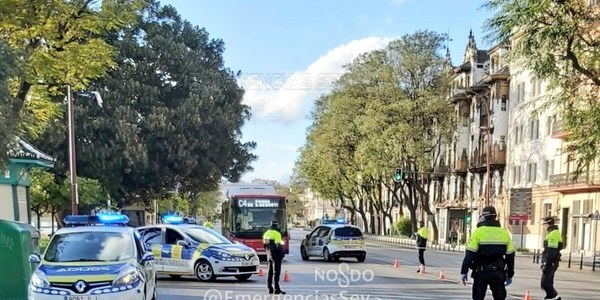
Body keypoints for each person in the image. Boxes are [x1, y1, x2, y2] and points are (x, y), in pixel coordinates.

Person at [460, 206, 515, 300]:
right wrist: (510, 274)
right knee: (500, 297)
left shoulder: (478, 232)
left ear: (484, 217)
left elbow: (470, 254)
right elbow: (510, 256)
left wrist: (464, 271)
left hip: (481, 272)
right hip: (498, 272)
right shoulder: (504, 233)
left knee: (478, 297)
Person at [541, 216, 563, 300]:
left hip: (551, 261)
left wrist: (546, 262)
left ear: (547, 224)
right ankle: (554, 297)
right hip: (551, 261)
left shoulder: (553, 233)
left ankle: (551, 297)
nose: (543, 226)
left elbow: (551, 250)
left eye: (544, 224)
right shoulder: (552, 232)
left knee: (545, 283)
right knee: (547, 282)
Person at [263, 221, 286, 294]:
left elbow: (265, 245)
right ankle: (276, 289)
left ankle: (270, 288)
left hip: (269, 254)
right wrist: (282, 255)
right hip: (276, 255)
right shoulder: (277, 234)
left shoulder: (266, 233)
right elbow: (278, 246)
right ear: (276, 226)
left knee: (270, 272)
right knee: (276, 272)